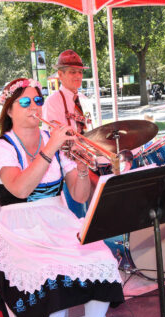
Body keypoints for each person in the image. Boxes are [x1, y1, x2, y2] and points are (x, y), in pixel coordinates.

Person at [0, 77, 123, 317]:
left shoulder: (54, 141)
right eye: (24, 102)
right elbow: (20, 189)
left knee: (101, 256)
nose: (34, 106)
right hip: (18, 228)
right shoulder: (3, 147)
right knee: (48, 272)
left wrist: (82, 164)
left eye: (37, 100)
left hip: (57, 219)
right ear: (9, 110)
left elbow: (79, 196)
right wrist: (50, 148)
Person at [43, 50, 93, 218]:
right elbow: (55, 137)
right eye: (72, 72)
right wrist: (81, 155)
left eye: (80, 72)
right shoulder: (52, 101)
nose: (78, 76)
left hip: (89, 153)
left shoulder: (85, 100)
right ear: (60, 74)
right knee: (85, 189)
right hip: (67, 157)